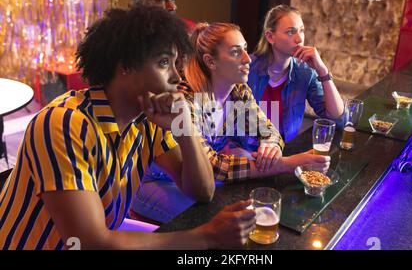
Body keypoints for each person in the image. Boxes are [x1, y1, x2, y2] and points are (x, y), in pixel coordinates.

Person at [0, 6, 256, 250]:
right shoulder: (64, 123)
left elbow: (202, 191)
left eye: (176, 63)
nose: (177, 77)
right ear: (124, 66)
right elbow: (90, 243)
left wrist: (186, 129)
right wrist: (207, 236)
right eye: (164, 63)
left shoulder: (148, 120)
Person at [131, 22, 331, 223]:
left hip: (198, 181)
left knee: (245, 205)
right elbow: (213, 166)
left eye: (245, 49)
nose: (247, 59)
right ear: (211, 62)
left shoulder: (237, 91)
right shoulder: (186, 98)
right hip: (153, 180)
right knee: (212, 219)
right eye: (236, 52)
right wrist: (289, 163)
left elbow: (269, 131)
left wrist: (271, 146)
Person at [248, 5, 344, 143]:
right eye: (290, 32)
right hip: (250, 153)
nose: (299, 39)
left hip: (285, 152)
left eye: (301, 31)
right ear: (270, 36)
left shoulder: (304, 72)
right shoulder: (247, 69)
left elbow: (336, 118)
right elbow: (234, 129)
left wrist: (322, 71)